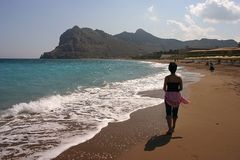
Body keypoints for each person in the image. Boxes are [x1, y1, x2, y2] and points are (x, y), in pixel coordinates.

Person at [163, 62, 183, 135]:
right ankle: (174, 126)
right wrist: (175, 91)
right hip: (177, 96)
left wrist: (169, 92)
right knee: (175, 112)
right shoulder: (179, 78)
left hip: (168, 96)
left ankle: (170, 129)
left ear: (169, 69)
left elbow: (164, 88)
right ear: (176, 69)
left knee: (168, 113)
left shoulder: (167, 78)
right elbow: (181, 88)